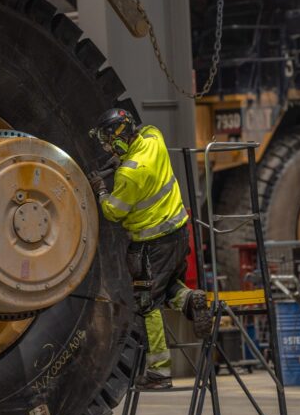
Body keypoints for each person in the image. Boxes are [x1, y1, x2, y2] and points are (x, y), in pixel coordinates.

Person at [88, 108, 211, 390]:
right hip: (179, 235)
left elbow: (113, 212)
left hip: (151, 246)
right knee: (166, 287)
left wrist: (100, 190)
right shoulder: (154, 137)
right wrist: (119, 158)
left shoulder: (129, 176)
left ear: (119, 139)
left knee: (148, 303)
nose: (106, 146)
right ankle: (192, 301)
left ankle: (159, 372)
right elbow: (142, 136)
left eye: (109, 141)